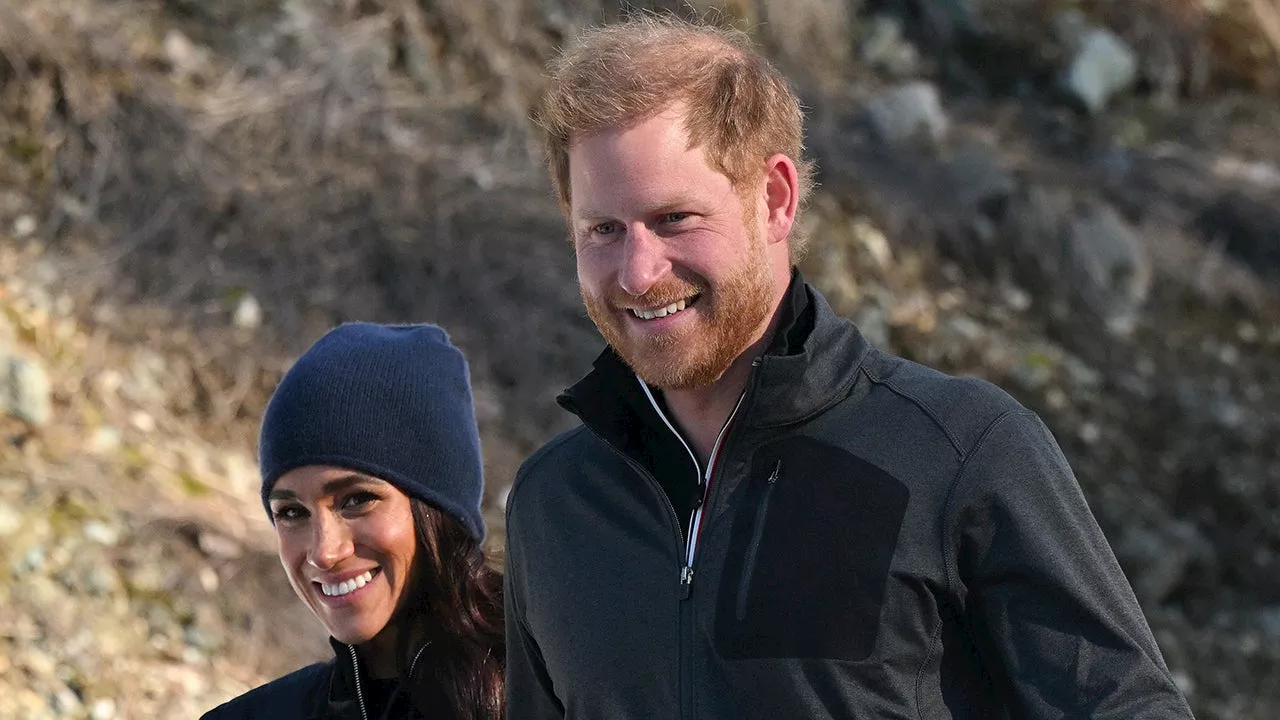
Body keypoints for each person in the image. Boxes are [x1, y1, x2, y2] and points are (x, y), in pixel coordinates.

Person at [503, 14, 1194, 720]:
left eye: (675, 219)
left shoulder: (958, 453)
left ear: (774, 199)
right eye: (603, 230)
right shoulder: (554, 503)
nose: (640, 273)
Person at [202, 322, 504, 720]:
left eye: (357, 500)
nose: (325, 552)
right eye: (292, 513)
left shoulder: (563, 690)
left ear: (437, 510)